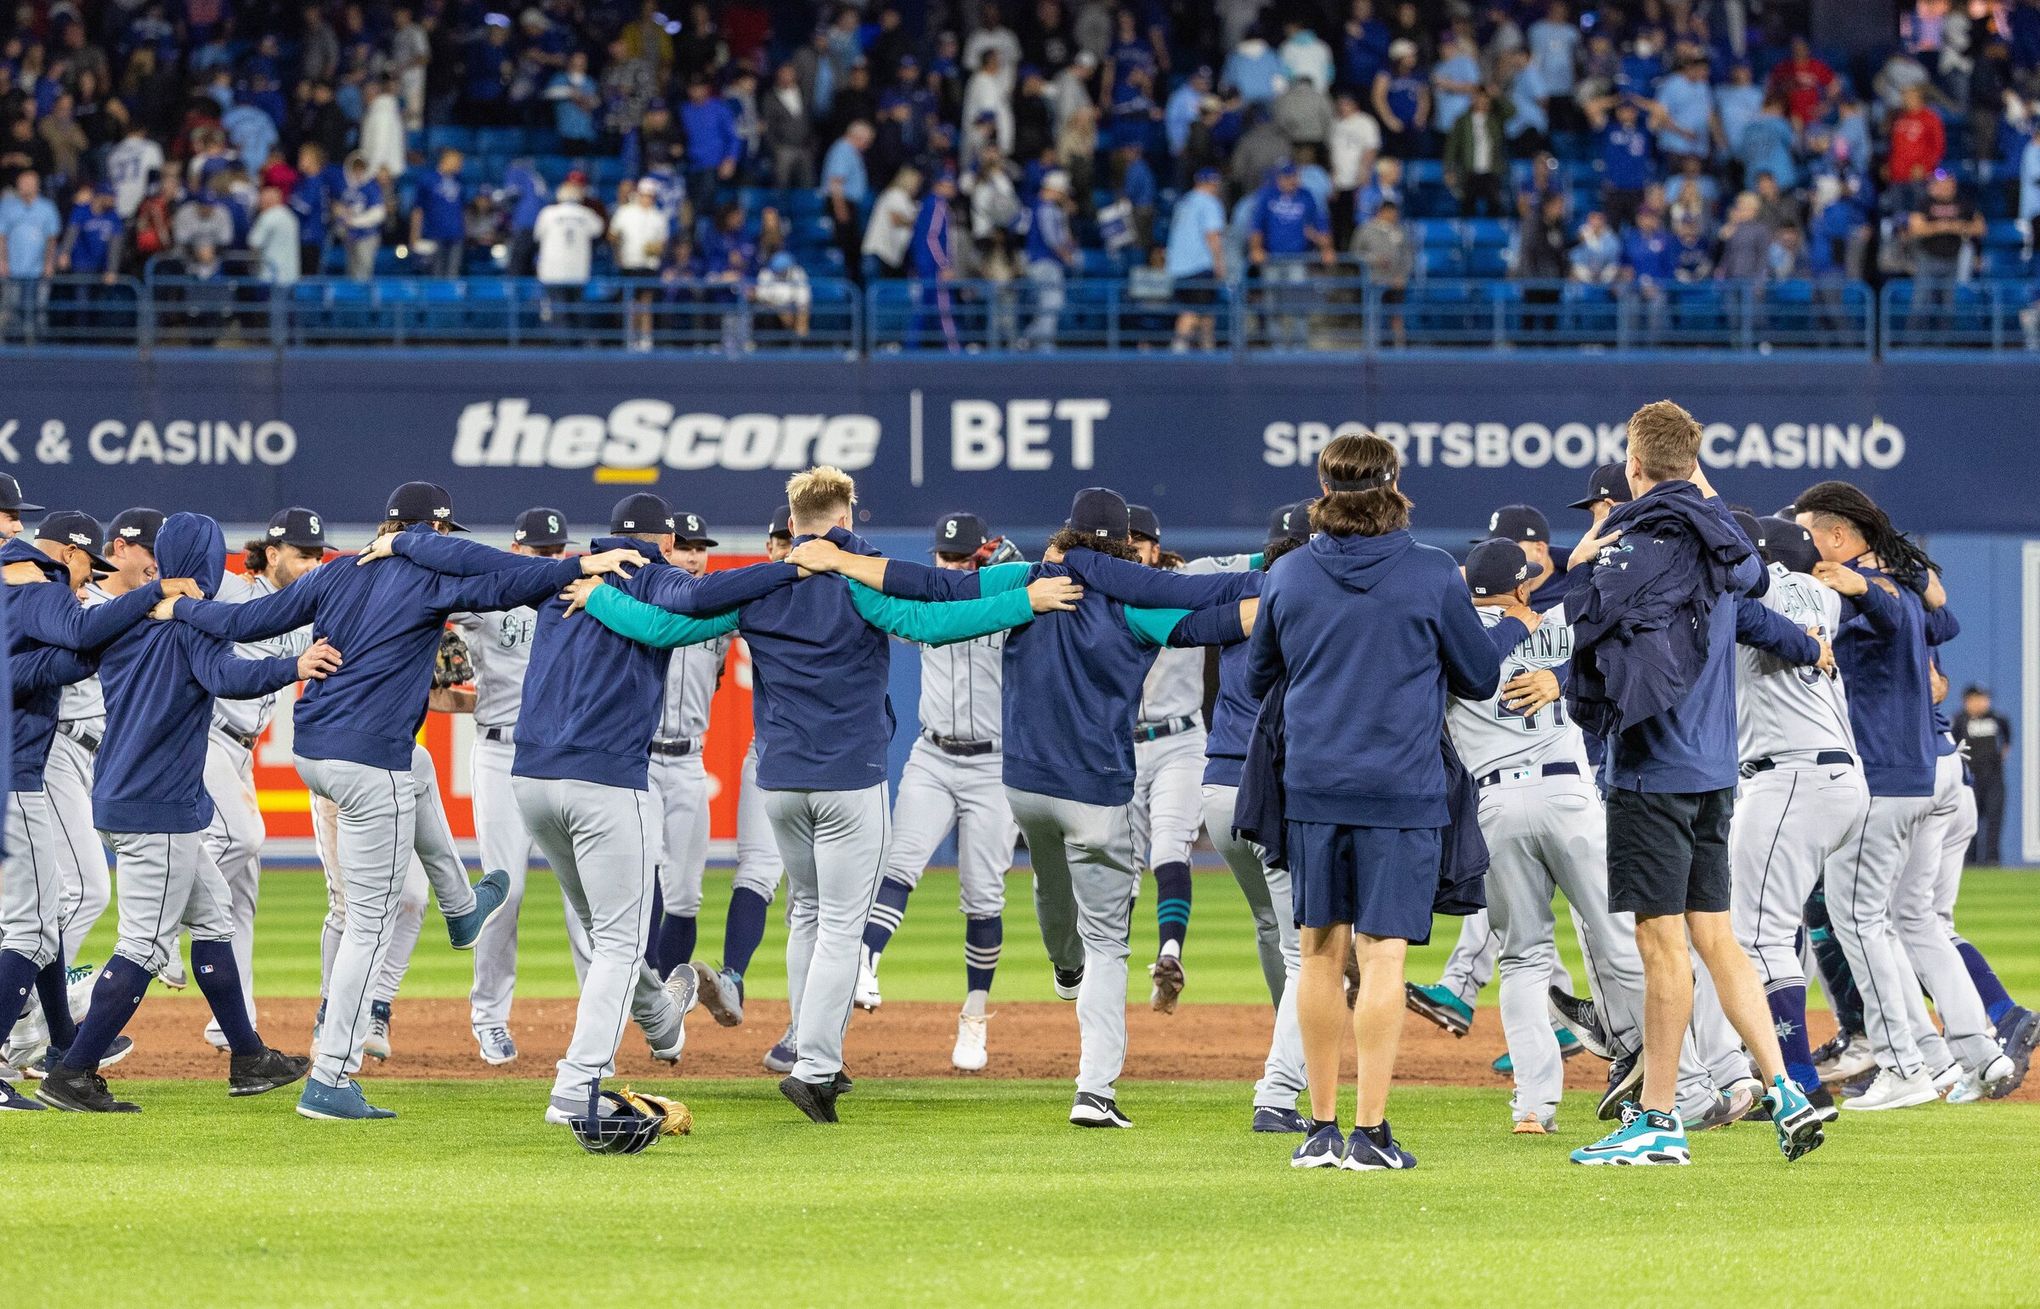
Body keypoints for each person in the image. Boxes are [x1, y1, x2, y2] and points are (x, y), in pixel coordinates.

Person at [584, 470, 1084, 1123]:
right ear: (846, 512)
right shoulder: (862, 578)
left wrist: (595, 594)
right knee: (842, 924)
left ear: (792, 522)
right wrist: (1028, 596)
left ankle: (808, 1047)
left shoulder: (760, 588)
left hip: (782, 779)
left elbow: (665, 626)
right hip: (851, 774)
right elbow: (942, 610)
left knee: (806, 914)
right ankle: (816, 1065)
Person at [158, 482, 633, 1121]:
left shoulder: (337, 573)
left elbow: (244, 622)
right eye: (445, 534)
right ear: (430, 532)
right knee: (370, 925)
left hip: (314, 751)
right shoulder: (432, 578)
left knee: (420, 763)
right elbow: (509, 580)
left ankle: (462, 906)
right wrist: (579, 565)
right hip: (364, 764)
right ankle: (331, 1075)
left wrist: (181, 607)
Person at [369, 493, 803, 1125]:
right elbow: (712, 597)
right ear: (658, 541)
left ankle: (658, 1018)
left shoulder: (563, 573)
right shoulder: (655, 579)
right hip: (603, 782)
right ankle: (578, 1085)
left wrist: (403, 542)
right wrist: (800, 565)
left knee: (603, 929)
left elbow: (463, 555)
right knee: (621, 943)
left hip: (532, 780)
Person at [1566, 401, 1824, 1166]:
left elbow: (1584, 622)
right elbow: (1750, 565)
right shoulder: (1727, 552)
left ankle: (1659, 1119)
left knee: (1660, 945)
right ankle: (1785, 1088)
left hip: (1653, 770)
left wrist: (1584, 562)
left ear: (1635, 469)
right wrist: (1690, 477)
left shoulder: (1636, 547)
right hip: (1716, 771)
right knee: (1718, 937)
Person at [1241, 432, 1500, 1171]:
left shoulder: (1289, 575)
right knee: (1381, 955)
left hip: (1315, 785)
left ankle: (1319, 1128)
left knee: (1319, 953)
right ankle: (1370, 1132)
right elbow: (1480, 677)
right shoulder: (1432, 573)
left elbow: (1262, 674)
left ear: (1324, 487)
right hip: (1403, 786)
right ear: (1394, 486)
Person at [37, 513, 325, 1113]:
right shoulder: (191, 624)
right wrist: (291, 668)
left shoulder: (127, 618)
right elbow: (230, 677)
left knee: (215, 915)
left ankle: (248, 1056)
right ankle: (72, 1071)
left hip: (124, 790)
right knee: (144, 945)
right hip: (158, 803)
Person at [1793, 481, 2021, 1108]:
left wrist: (1865, 583)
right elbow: (1940, 614)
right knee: (1913, 920)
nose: (1803, 539)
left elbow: (1899, 608)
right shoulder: (1896, 580)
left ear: (1839, 535)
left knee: (1860, 919)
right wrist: (1899, 574)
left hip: (1887, 774)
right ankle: (1974, 1052)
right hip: (1927, 771)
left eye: (1809, 529)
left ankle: (1904, 1066)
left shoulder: (1869, 586)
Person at [0, 512, 180, 1109]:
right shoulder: (35, 582)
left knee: (42, 919)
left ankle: (59, 1043)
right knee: (32, 926)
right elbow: (75, 634)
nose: (85, 584)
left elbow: (49, 664)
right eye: (85, 571)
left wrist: (114, 641)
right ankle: (18, 1043)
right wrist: (156, 594)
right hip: (20, 773)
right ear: (69, 556)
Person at [853, 513, 1019, 1071]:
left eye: (959, 557)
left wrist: (1012, 575)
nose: (947, 564)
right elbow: (874, 593)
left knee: (983, 895)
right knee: (899, 863)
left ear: (981, 556)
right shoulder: (924, 607)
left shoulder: (1006, 608)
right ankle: (866, 961)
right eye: (942, 557)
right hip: (934, 754)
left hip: (995, 764)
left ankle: (974, 1016)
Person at [441, 508, 594, 1067]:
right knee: (506, 890)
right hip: (501, 750)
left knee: (585, 897)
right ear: (515, 550)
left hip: (562, 753)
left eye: (557, 552)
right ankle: (489, 1016)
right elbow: (429, 608)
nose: (551, 560)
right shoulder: (493, 591)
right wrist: (438, 645)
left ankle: (596, 1025)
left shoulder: (582, 592)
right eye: (540, 553)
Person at [1725, 515, 1857, 1120]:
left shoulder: (1761, 588)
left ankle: (1799, 1081)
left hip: (1792, 775)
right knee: (1779, 929)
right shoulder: (1824, 595)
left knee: (1758, 936)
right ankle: (1786, 1069)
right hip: (1839, 778)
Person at [194, 509, 326, 1052]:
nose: (314, 564)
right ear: (271, 553)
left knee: (243, 891)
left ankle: (232, 1021)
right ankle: (165, 911)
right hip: (206, 733)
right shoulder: (228, 588)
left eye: (319, 555)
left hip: (243, 747)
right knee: (244, 837)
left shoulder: (308, 609)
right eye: (303, 555)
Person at [1249, 162, 1333, 349]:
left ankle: (1299, 345)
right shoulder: (1267, 196)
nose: (1291, 180)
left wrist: (1326, 248)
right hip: (1272, 258)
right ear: (1278, 178)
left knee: (1298, 302)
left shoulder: (1306, 196)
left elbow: (1320, 223)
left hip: (1298, 258)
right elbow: (1256, 226)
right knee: (1272, 304)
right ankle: (1276, 345)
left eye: (1293, 176)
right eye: (1286, 177)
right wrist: (1256, 248)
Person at [1907, 172, 1982, 338]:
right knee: (1921, 303)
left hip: (1952, 260)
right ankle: (1912, 344)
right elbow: (1915, 228)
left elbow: (1980, 227)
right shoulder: (1925, 202)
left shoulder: (1963, 202)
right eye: (1946, 184)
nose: (1949, 188)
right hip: (1928, 258)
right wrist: (1939, 227)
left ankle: (1945, 343)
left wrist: (1956, 227)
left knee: (1949, 306)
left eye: (1952, 184)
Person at [1166, 167, 1227, 351]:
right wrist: (1220, 264)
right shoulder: (1209, 202)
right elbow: (1212, 235)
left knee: (1207, 313)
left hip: (1177, 267)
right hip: (1198, 266)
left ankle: (1208, 350)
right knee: (1192, 312)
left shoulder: (1184, 202)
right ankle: (1178, 350)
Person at [533, 179, 605, 328]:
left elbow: (537, 236)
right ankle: (574, 345)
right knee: (575, 309)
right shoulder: (586, 214)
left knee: (559, 310)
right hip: (577, 270)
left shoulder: (548, 213)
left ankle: (563, 346)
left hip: (553, 271)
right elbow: (599, 230)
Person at [0, 170, 61, 342]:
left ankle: (36, 344)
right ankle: (10, 345)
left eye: (27, 183)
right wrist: (2, 261)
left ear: (36, 186)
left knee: (39, 309)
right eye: (21, 182)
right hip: (13, 269)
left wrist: (49, 263)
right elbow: (2, 237)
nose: (23, 186)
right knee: (11, 307)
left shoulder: (47, 208)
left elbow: (52, 238)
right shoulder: (7, 206)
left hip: (38, 269)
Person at [610, 179, 669, 352]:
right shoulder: (625, 212)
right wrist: (619, 252)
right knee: (631, 303)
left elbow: (663, 242)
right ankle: (631, 337)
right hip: (630, 263)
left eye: (651, 196)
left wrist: (657, 248)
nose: (647, 199)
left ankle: (645, 339)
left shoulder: (658, 216)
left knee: (646, 302)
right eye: (645, 195)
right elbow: (613, 235)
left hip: (649, 264)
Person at [1954, 685, 2009, 864]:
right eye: (1976, 698)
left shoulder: (1998, 719)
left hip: (1993, 778)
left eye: (1984, 698)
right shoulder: (1959, 720)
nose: (1981, 702)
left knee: (1994, 820)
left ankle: (1992, 860)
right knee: (1970, 821)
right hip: (1970, 779)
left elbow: (2007, 741)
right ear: (1966, 701)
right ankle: (1970, 862)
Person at [1023, 169, 1077, 349]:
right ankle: (1042, 347)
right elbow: (1052, 239)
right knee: (1051, 304)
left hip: (1042, 263)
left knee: (1047, 307)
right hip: (1045, 263)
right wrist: (1066, 255)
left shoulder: (1047, 207)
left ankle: (1027, 340)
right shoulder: (1046, 207)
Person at [1349, 198, 1412, 346]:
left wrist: (1402, 276)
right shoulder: (1365, 230)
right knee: (1373, 314)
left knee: (1397, 316)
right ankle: (1372, 348)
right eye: (1391, 213)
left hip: (1396, 281)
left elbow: (1408, 256)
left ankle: (1399, 349)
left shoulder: (1399, 231)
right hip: (1374, 280)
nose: (1394, 216)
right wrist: (1373, 259)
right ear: (1383, 212)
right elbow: (1354, 254)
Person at [1443, 86, 1510, 218]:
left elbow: (1511, 111)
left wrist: (1498, 97)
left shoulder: (1495, 120)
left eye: (1485, 99)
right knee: (1467, 206)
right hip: (1469, 171)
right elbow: (1452, 147)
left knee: (1495, 206)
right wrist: (1448, 169)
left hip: (1491, 171)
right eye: (1479, 98)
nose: (1482, 102)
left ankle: (1492, 236)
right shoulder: (1462, 121)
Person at [409, 149, 466, 279]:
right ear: (446, 160)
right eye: (457, 161)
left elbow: (462, 208)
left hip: (456, 235)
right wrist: (414, 234)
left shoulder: (459, 181)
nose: (460, 165)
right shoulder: (427, 180)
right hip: (434, 234)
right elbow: (418, 209)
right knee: (436, 274)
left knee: (453, 274)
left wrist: (464, 230)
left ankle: (451, 299)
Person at [336, 154, 385, 283]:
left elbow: (378, 214)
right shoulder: (346, 187)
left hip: (367, 236)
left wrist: (354, 222)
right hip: (349, 236)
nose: (358, 172)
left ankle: (363, 301)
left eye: (361, 168)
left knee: (363, 271)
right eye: (355, 168)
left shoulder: (371, 187)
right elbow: (338, 207)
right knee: (350, 271)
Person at [247, 184, 301, 285]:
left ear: (267, 200)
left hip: (270, 274)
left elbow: (254, 243)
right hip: (291, 275)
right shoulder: (290, 216)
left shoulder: (267, 216)